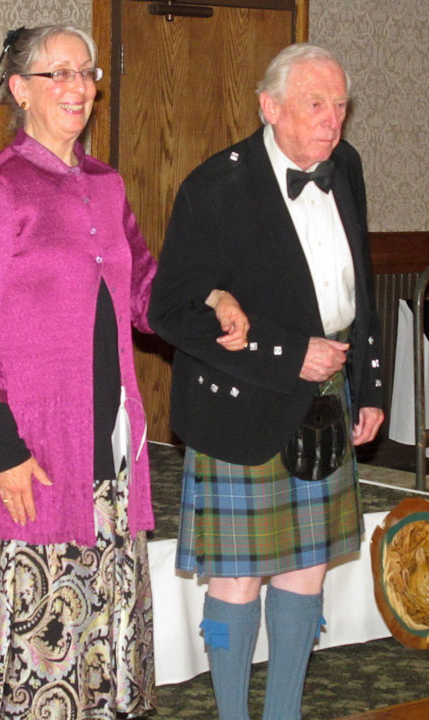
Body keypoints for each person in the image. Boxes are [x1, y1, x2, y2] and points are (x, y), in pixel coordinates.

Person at [0, 24, 247, 720]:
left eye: (86, 73)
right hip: (31, 453)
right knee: (40, 643)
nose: (78, 87)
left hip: (107, 442)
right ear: (20, 90)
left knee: (102, 627)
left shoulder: (105, 185)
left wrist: (209, 299)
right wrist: (4, 454)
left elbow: (145, 290)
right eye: (58, 73)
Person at [148, 43, 385, 720]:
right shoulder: (214, 187)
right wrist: (286, 355)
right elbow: (171, 311)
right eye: (315, 104)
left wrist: (369, 386)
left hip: (326, 400)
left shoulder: (345, 166)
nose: (332, 119)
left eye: (340, 105)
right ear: (269, 107)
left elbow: (359, 285)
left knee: (306, 571)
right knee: (236, 577)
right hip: (242, 407)